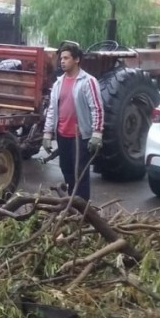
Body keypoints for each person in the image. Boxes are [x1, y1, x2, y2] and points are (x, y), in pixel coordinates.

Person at [42, 43, 104, 201]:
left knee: (80, 174)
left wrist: (97, 133)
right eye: (61, 58)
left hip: (80, 137)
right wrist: (47, 134)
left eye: (66, 58)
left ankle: (81, 209)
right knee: (66, 170)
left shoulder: (88, 82)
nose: (62, 61)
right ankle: (71, 204)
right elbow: (51, 110)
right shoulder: (58, 83)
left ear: (76, 59)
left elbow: (97, 108)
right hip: (63, 135)